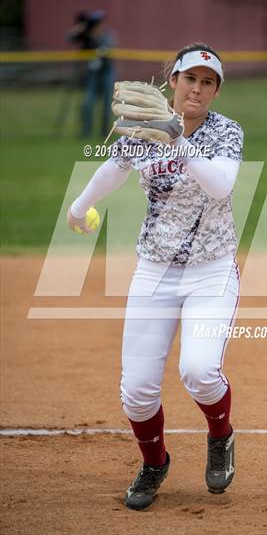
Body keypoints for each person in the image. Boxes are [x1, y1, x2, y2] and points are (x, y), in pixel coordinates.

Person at [67, 43, 244, 511]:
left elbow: (220, 184)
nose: (198, 89)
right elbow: (115, 166)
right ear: (173, 81)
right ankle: (154, 462)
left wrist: (177, 138)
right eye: (190, 79)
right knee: (138, 393)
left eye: (208, 82)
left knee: (200, 371)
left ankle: (221, 435)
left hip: (211, 271)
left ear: (216, 91)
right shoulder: (143, 127)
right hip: (155, 271)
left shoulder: (225, 132)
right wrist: (80, 205)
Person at [68, 10, 115, 137]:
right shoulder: (86, 37)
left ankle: (104, 133)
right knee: (87, 103)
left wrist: (96, 38)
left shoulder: (107, 36)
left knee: (107, 105)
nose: (96, 28)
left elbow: (108, 49)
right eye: (94, 25)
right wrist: (80, 29)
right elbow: (70, 38)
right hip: (92, 75)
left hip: (106, 73)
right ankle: (86, 133)